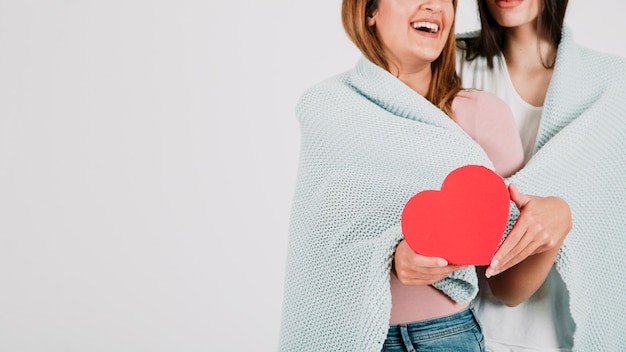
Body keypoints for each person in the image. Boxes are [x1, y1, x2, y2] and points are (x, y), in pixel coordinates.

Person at [279, 0, 572, 351]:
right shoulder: (328, 109)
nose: (433, 5)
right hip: (342, 336)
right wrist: (390, 255)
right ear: (368, 12)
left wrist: (558, 221)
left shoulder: (484, 116)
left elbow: (507, 287)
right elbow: (319, 255)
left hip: (448, 338)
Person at [456, 0, 626, 350]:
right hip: (460, 331)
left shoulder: (611, 85)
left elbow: (611, 216)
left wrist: (565, 209)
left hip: (559, 333)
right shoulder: (449, 67)